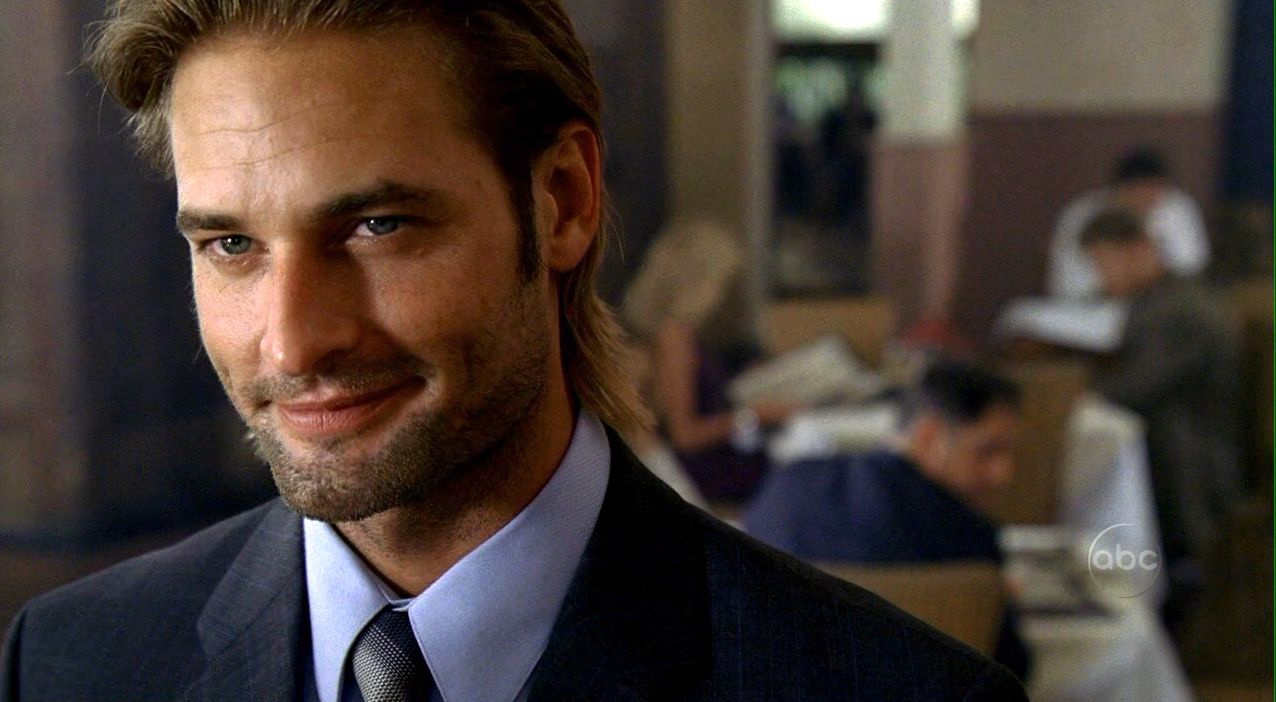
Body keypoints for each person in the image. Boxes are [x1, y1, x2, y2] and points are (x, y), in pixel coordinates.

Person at [0, 2, 1027, 700]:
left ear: (563, 201)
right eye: (231, 245)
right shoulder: (68, 662)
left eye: (378, 226)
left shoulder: (887, 686)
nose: (293, 339)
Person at [743, 360, 1032, 681]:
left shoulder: (785, 485)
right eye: (988, 451)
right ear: (929, 435)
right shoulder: (968, 537)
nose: (1005, 474)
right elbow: (1011, 670)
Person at [1079, 207, 1242, 630]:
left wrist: (1075, 393)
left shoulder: (1180, 311)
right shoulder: (1163, 299)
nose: (1101, 278)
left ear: (1140, 250)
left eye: (1103, 264)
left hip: (1188, 474)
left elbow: (1132, 390)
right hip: (1173, 457)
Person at [622, 219, 795, 502]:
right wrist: (753, 417)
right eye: (720, 283)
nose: (721, 295)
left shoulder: (676, 332)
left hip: (714, 461)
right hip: (706, 471)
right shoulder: (675, 337)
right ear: (696, 282)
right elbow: (685, 435)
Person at [1048, 148, 1210, 298]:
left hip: (1164, 299)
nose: (1146, 199)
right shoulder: (1082, 215)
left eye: (1154, 190)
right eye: (1139, 191)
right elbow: (1066, 284)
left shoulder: (1177, 207)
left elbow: (1191, 267)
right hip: (1093, 307)